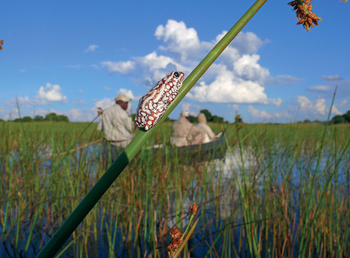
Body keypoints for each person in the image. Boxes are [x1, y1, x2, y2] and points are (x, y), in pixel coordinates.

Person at [97, 94, 134, 165]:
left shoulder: (105, 112)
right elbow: (131, 128)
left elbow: (100, 128)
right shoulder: (123, 113)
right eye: (126, 103)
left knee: (108, 166)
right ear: (120, 102)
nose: (127, 105)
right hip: (124, 144)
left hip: (108, 144)